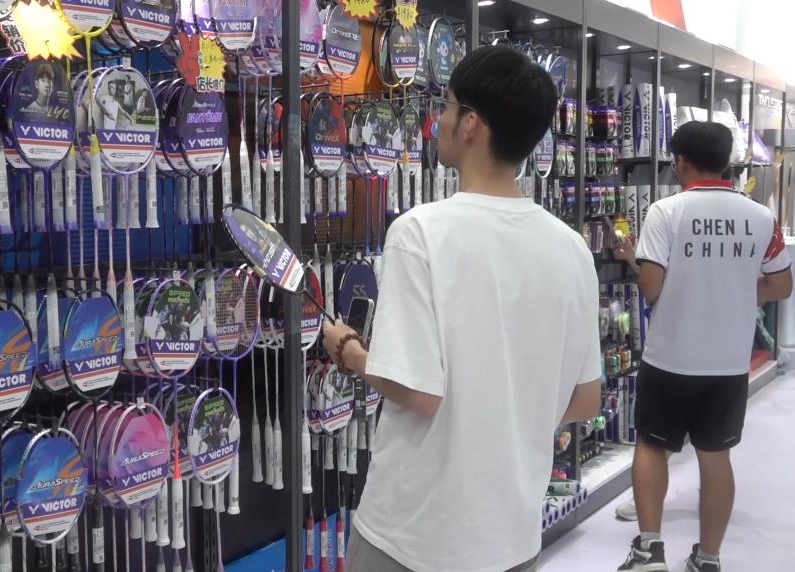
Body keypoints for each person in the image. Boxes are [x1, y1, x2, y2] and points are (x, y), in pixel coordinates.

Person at [320, 45, 602, 572]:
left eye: (447, 106)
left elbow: (418, 392)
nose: (439, 121)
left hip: (415, 540)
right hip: (513, 540)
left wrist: (352, 354)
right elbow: (586, 400)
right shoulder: (572, 249)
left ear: (471, 124)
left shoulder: (420, 233)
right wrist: (504, 410)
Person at [613, 120, 792, 572]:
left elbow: (652, 287)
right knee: (716, 458)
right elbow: (782, 285)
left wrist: (641, 265)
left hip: (670, 358)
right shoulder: (761, 217)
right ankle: (708, 557)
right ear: (727, 161)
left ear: (680, 162)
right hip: (728, 363)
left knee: (651, 447)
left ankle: (649, 551)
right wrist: (736, 293)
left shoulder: (665, 211)